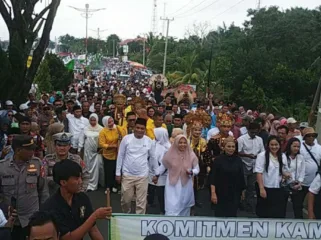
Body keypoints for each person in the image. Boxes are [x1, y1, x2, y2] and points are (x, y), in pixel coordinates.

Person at [41, 160, 112, 240]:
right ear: (63, 182)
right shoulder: (50, 207)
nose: (81, 182)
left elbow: (93, 230)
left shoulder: (83, 198)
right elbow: (68, 238)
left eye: (81, 178)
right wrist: (95, 216)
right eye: (76, 179)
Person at [0, 135, 49, 240]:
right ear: (18, 150)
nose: (33, 152)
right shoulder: (2, 167)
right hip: (9, 222)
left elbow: (43, 192)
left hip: (31, 219)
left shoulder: (37, 164)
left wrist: (44, 216)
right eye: (29, 149)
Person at [116, 118, 159, 214]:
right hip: (127, 174)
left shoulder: (149, 141)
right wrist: (118, 173)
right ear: (134, 127)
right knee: (125, 200)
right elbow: (120, 155)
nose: (139, 130)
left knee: (141, 202)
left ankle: (139, 220)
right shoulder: (126, 139)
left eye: (142, 128)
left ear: (145, 129)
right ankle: (126, 215)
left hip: (142, 175)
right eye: (138, 128)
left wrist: (156, 173)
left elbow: (153, 157)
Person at [159, 135, 199, 216]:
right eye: (180, 143)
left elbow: (197, 169)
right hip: (172, 184)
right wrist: (156, 175)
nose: (182, 145)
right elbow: (163, 167)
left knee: (184, 206)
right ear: (176, 143)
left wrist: (191, 172)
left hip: (186, 184)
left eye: (184, 143)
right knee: (172, 207)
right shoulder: (170, 154)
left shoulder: (191, 155)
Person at [254, 136, 290, 218]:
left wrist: (286, 175)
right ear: (268, 145)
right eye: (272, 145)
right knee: (264, 212)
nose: (274, 147)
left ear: (279, 145)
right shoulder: (262, 156)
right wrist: (261, 188)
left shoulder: (283, 156)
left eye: (276, 145)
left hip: (278, 188)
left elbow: (284, 170)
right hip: (266, 187)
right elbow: (259, 172)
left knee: (277, 212)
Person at [210, 136, 245, 217]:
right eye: (228, 146)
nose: (231, 149)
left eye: (233, 147)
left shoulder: (238, 160)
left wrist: (242, 192)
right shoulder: (218, 160)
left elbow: (241, 176)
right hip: (220, 193)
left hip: (234, 193)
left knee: (232, 214)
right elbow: (213, 178)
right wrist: (213, 193)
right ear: (223, 147)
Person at [237, 122, 265, 212]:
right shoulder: (241, 139)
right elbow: (237, 152)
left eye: (255, 132)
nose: (254, 134)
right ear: (248, 130)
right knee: (242, 185)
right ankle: (240, 202)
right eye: (252, 132)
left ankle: (249, 204)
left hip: (255, 165)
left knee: (251, 186)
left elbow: (262, 152)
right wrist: (247, 155)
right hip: (244, 164)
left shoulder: (259, 139)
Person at [99, 116, 126, 193]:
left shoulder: (117, 128)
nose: (111, 123)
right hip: (108, 155)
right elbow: (101, 144)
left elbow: (124, 133)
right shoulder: (103, 131)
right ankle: (108, 186)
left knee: (116, 170)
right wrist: (111, 146)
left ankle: (115, 185)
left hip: (117, 154)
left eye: (112, 121)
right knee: (108, 171)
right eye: (109, 122)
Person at [147, 128, 171, 214]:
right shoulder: (153, 143)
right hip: (151, 171)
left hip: (162, 174)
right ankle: (150, 204)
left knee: (161, 193)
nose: (155, 136)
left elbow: (165, 163)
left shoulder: (168, 147)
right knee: (151, 189)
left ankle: (163, 210)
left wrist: (157, 174)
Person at [78, 113, 103, 191]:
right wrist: (79, 149)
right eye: (91, 120)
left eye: (94, 120)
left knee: (96, 168)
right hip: (87, 152)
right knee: (88, 167)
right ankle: (88, 184)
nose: (93, 122)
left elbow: (103, 140)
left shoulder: (101, 129)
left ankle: (95, 184)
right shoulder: (85, 128)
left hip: (96, 152)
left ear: (97, 120)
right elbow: (81, 139)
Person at [284, 138, 305, 219]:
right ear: (290, 146)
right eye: (294, 146)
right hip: (285, 185)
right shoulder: (283, 156)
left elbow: (302, 171)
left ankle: (299, 224)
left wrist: (300, 183)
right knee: (283, 206)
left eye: (298, 146)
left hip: (296, 185)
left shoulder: (301, 157)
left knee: (298, 207)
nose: (296, 148)